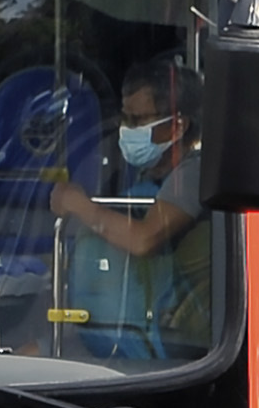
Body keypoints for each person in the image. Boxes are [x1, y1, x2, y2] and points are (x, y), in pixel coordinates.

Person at [52, 50, 206, 352]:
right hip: (118, 331)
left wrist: (77, 204)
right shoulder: (147, 176)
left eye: (138, 120)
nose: (127, 129)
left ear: (177, 126)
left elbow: (144, 239)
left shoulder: (194, 172)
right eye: (125, 118)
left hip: (177, 341)